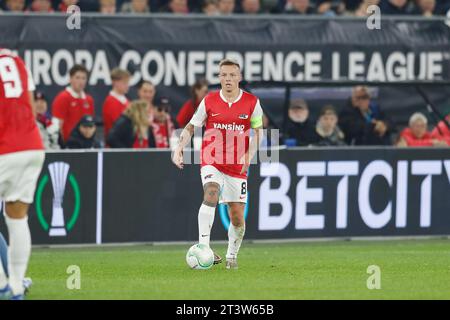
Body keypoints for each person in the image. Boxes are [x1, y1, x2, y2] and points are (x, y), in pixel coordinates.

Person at [172, 59, 263, 269]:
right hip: (211, 160)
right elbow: (191, 126)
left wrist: (249, 154)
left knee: (237, 217)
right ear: (219, 77)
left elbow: (258, 132)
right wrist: (179, 149)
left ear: (239, 78)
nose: (228, 79)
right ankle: (205, 248)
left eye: (232, 75)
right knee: (211, 192)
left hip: (237, 167)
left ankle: (232, 256)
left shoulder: (252, 102)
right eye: (223, 75)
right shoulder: (209, 101)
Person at [0, 48, 45, 300]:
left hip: (4, 147)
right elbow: (29, 105)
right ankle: (15, 287)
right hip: (31, 146)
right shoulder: (15, 59)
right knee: (17, 218)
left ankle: (3, 284)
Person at [52, 64, 95, 146]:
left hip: (86, 145)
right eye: (77, 77)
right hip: (68, 146)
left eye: (83, 78)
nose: (81, 81)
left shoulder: (89, 100)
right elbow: (57, 126)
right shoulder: (62, 98)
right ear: (70, 79)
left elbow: (91, 125)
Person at [102, 68, 130, 143]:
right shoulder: (110, 102)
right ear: (115, 82)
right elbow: (119, 126)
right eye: (125, 83)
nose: (127, 86)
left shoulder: (126, 101)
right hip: (115, 145)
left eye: (128, 83)